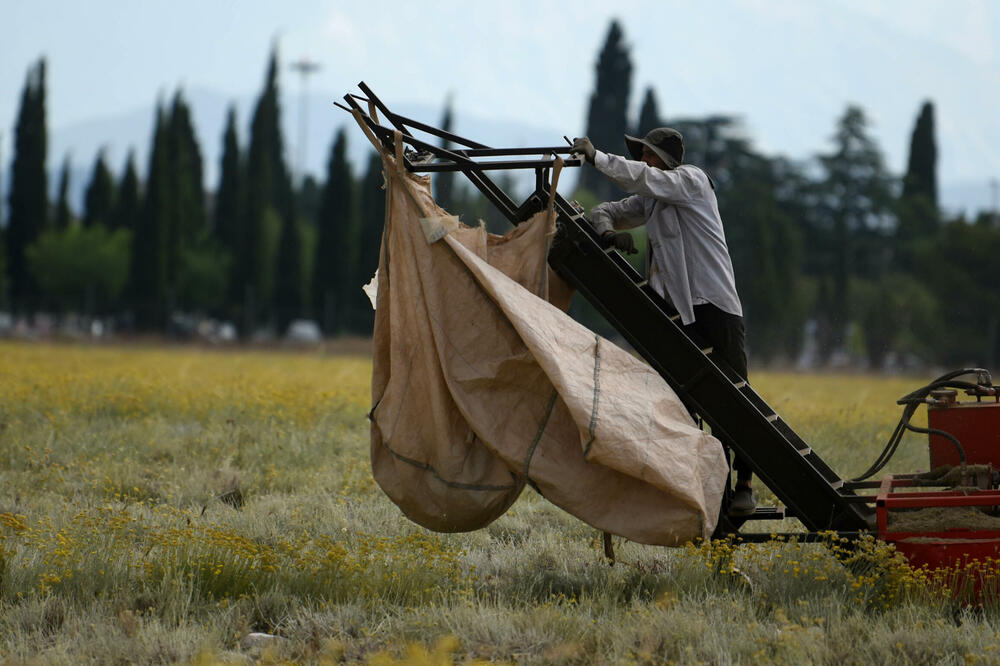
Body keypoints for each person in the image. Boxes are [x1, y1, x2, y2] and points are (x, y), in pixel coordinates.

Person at [571, 129, 755, 516]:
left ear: (665, 159)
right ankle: (704, 484)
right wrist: (608, 233)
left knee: (736, 402)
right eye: (642, 155)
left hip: (717, 306)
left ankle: (744, 485)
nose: (644, 161)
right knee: (689, 400)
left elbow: (643, 178)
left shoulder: (691, 180)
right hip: (683, 312)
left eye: (649, 155)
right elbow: (605, 211)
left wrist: (597, 157)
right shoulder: (652, 200)